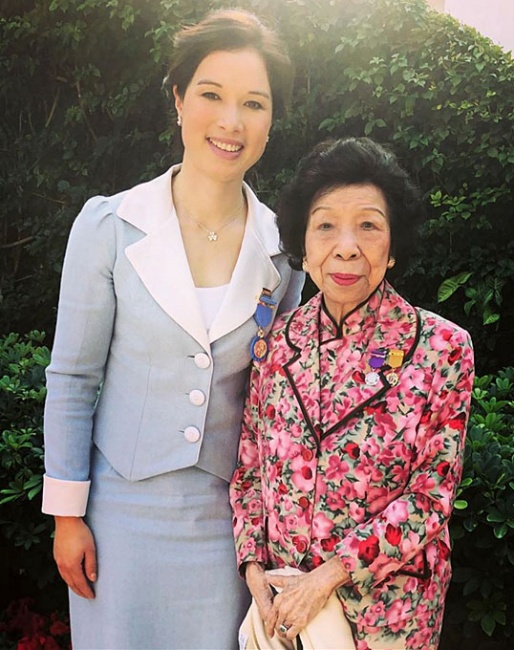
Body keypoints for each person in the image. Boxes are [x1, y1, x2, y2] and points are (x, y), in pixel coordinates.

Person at [41, 9, 303, 650]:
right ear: (179, 99)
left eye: (254, 103)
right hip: (118, 520)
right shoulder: (108, 226)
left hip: (225, 531)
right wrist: (66, 515)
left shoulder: (286, 252)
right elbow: (74, 377)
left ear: (272, 121)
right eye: (211, 95)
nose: (230, 122)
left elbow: (279, 405)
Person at [230, 137, 475, 650]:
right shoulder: (276, 346)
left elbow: (431, 498)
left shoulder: (442, 349)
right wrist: (254, 570)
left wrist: (328, 576)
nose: (345, 246)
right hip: (283, 615)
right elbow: (250, 470)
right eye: (325, 225)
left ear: (393, 243)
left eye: (368, 225)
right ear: (303, 239)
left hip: (387, 619)